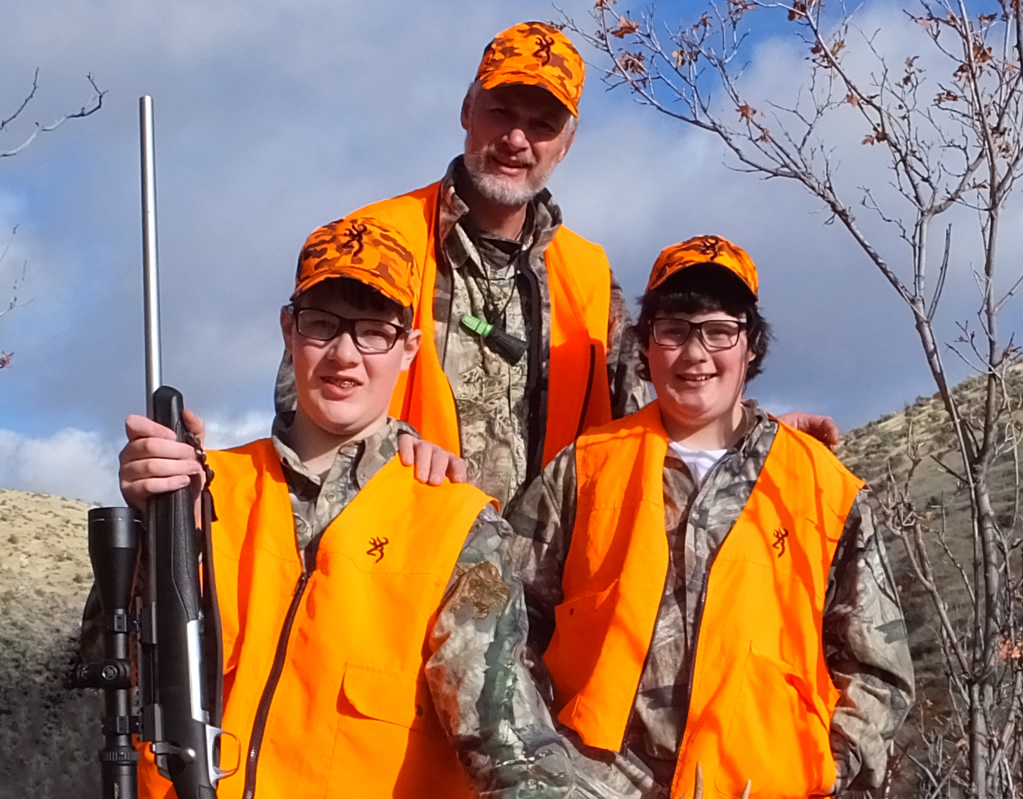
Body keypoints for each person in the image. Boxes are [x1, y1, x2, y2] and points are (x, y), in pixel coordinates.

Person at [113, 214, 577, 799]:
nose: (345, 354)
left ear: (409, 350)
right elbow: (126, 658)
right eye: (324, 325)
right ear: (289, 332)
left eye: (373, 331)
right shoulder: (204, 491)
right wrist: (149, 523)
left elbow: (499, 713)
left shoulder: (453, 519)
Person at [493, 234, 915, 799]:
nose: (696, 353)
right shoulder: (584, 468)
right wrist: (540, 762)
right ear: (644, 345)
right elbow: (506, 627)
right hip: (598, 792)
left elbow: (879, 672)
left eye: (719, 331)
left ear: (750, 345)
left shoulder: (822, 487)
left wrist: (823, 765)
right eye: (674, 330)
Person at [276, 21, 839, 510]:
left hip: (549, 574)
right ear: (467, 111)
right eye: (500, 112)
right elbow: (303, 404)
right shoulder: (371, 241)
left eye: (543, 124)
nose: (516, 140)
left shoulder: (588, 272)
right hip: (397, 549)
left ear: (567, 142)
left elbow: (652, 415)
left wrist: (749, 431)